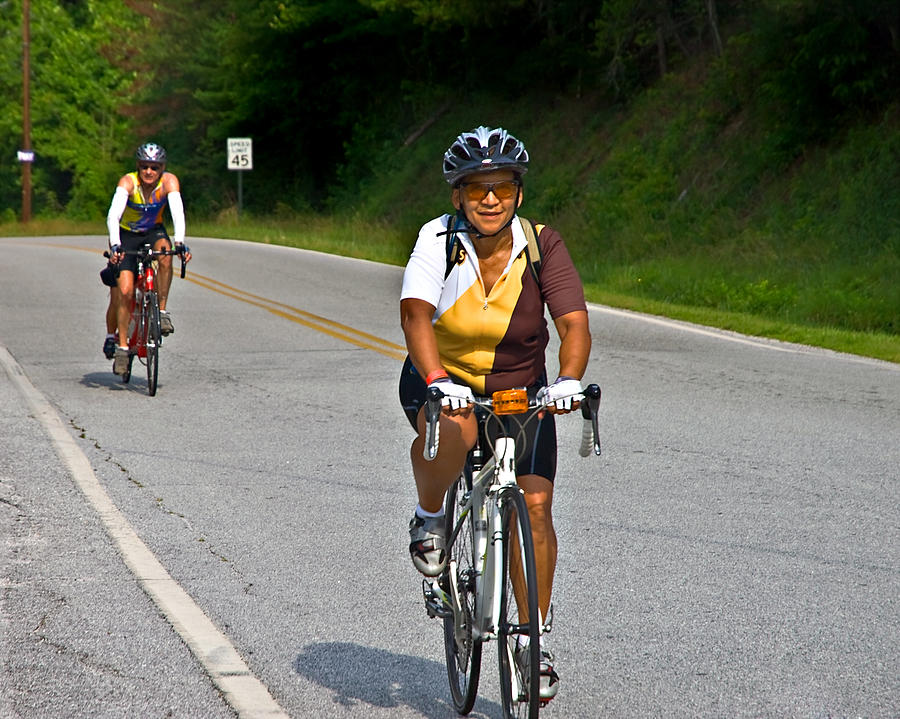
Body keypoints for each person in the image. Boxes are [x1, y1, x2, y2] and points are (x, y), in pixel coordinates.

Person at [399, 126, 591, 703]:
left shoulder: (541, 245)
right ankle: (430, 515)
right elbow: (414, 314)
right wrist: (436, 380)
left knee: (535, 511)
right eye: (476, 187)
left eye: (502, 187)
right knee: (455, 428)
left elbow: (574, 323)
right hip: (444, 383)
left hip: (519, 394)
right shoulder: (438, 239)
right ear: (457, 196)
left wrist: (568, 380)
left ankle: (532, 641)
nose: (490, 198)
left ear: (518, 194)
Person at [103, 142, 191, 374]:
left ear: (162, 168)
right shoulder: (128, 182)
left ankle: (161, 313)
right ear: (138, 167)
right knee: (125, 291)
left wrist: (180, 243)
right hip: (127, 235)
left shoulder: (169, 182)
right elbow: (113, 216)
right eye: (144, 167)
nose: (149, 172)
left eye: (155, 167)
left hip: (153, 231)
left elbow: (178, 213)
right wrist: (115, 246)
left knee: (165, 253)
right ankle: (122, 348)